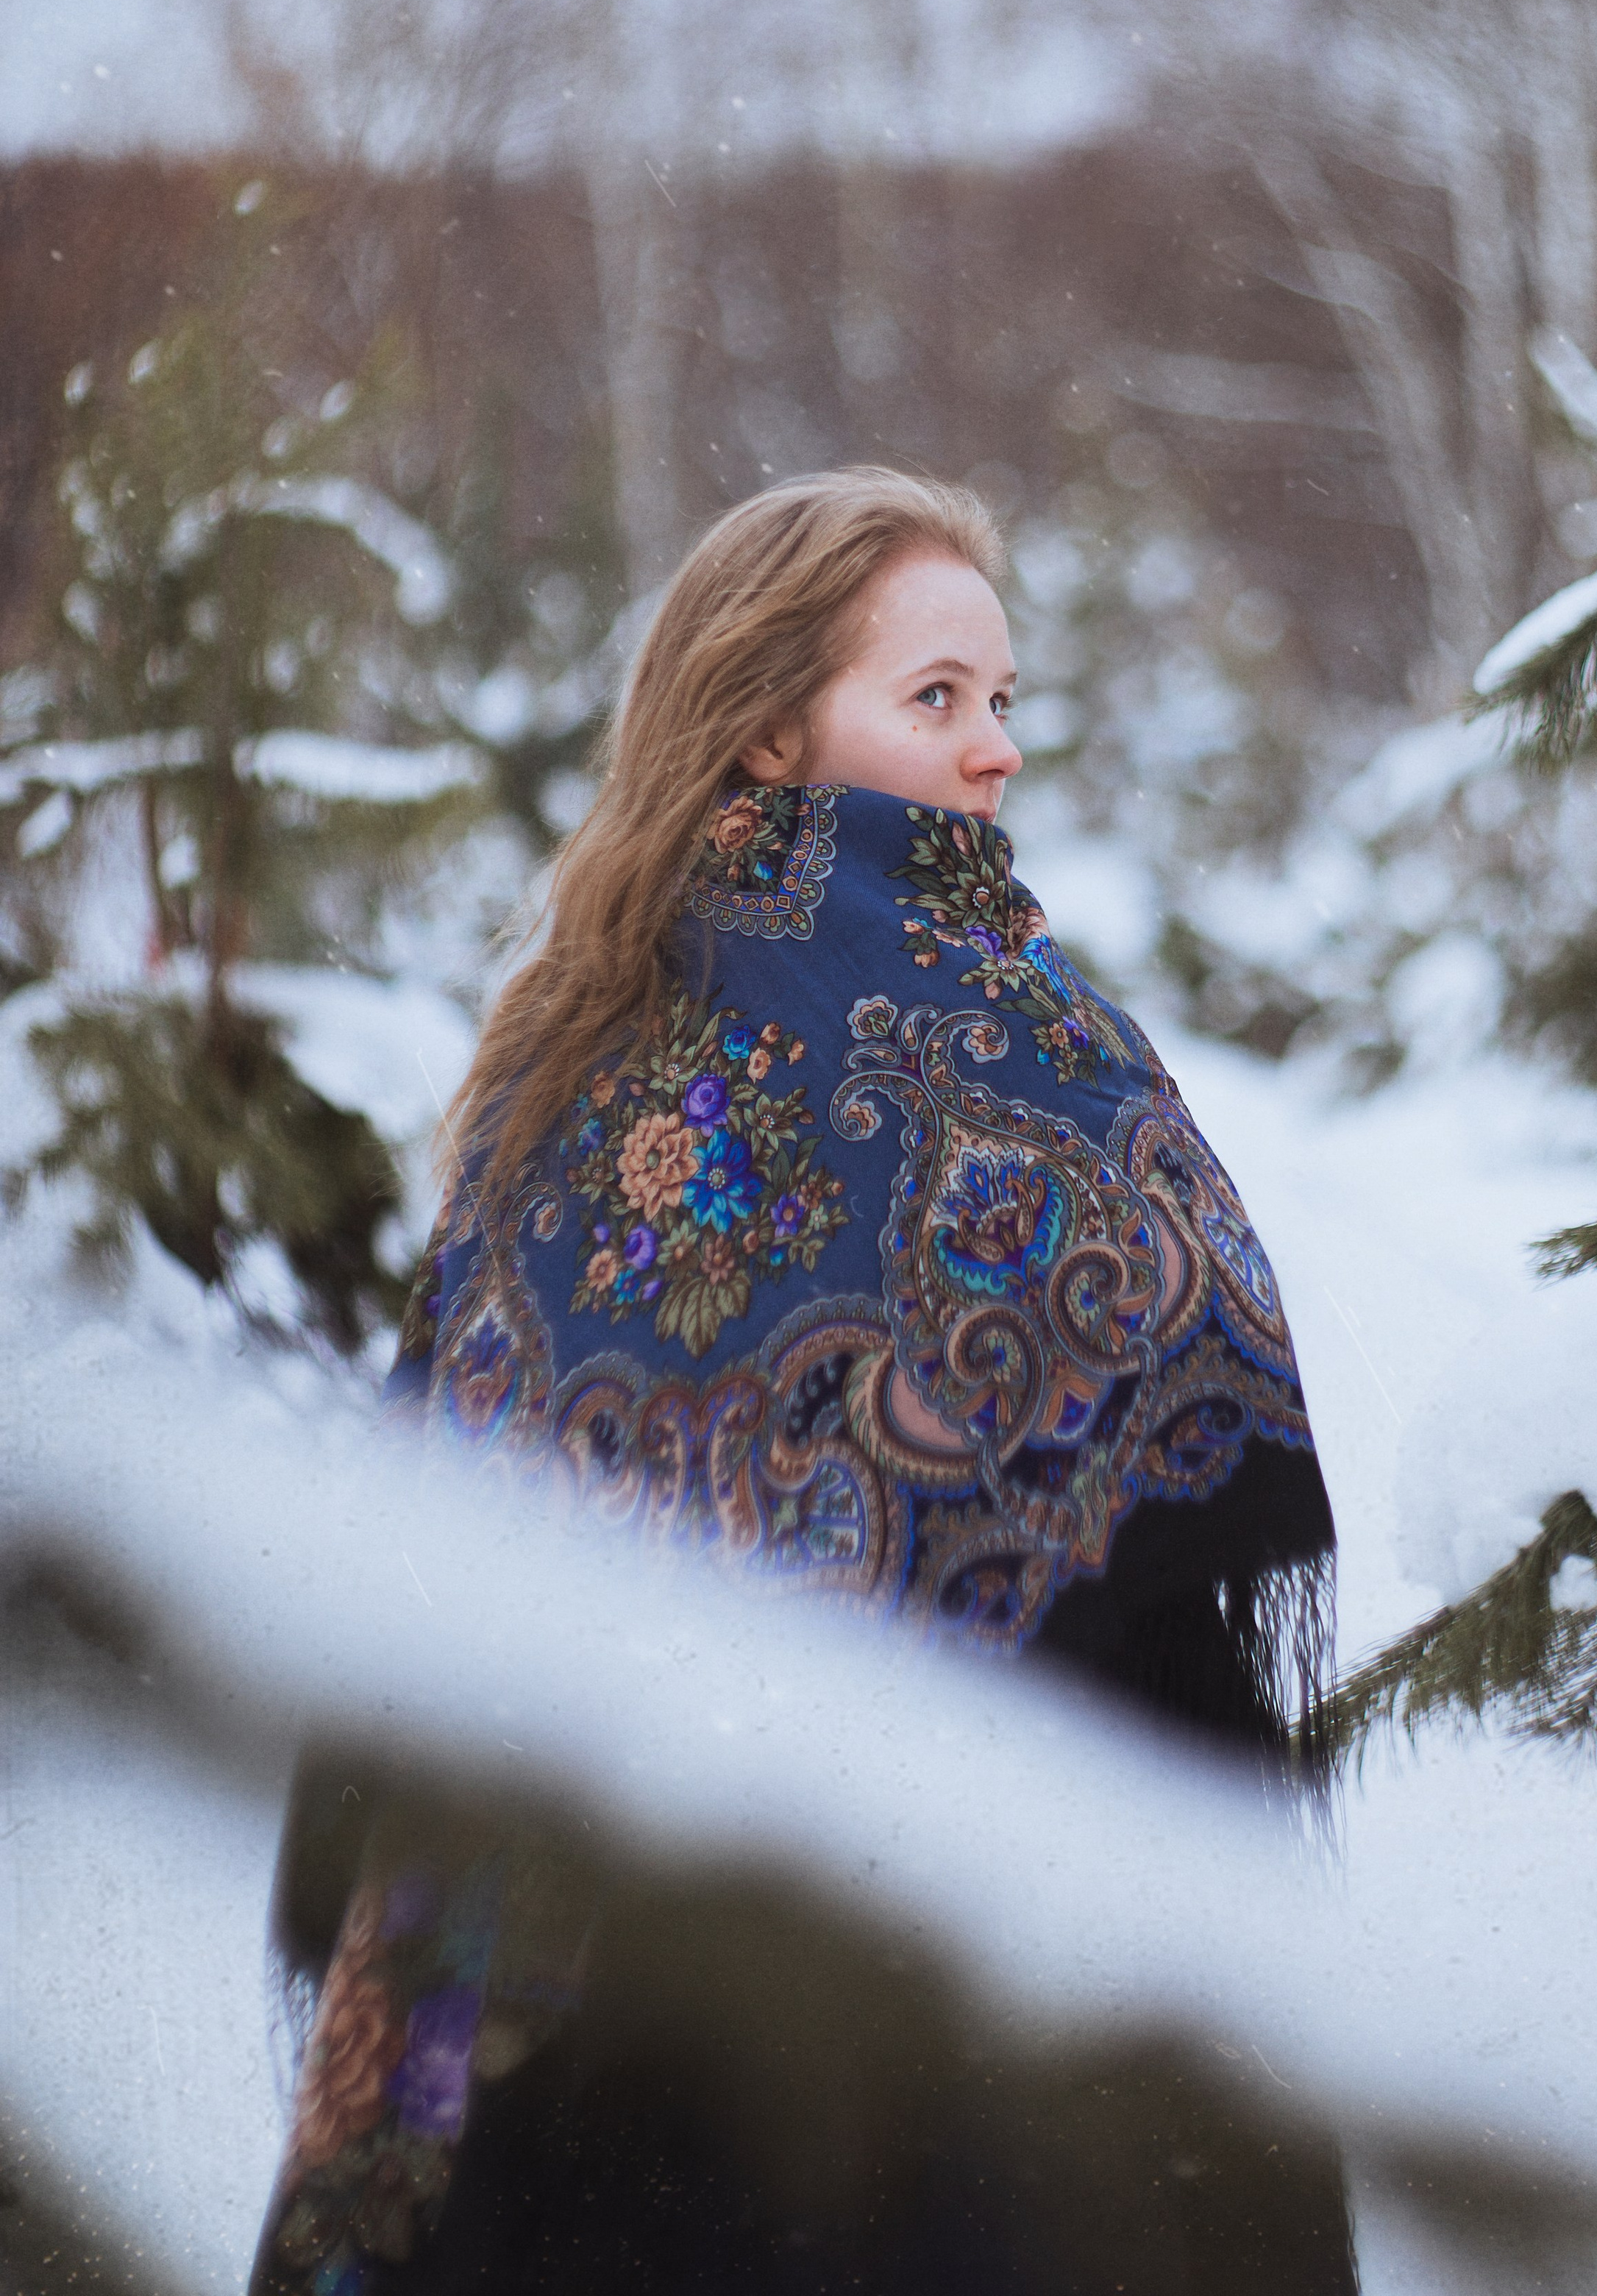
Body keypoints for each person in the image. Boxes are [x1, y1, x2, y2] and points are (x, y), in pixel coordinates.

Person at [251, 467, 1348, 2294]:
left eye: (1002, 702)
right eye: (934, 698)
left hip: (677, 2020)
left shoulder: (603, 1050)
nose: (993, 752)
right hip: (931, 2021)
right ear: (766, 722)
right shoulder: (601, 1068)